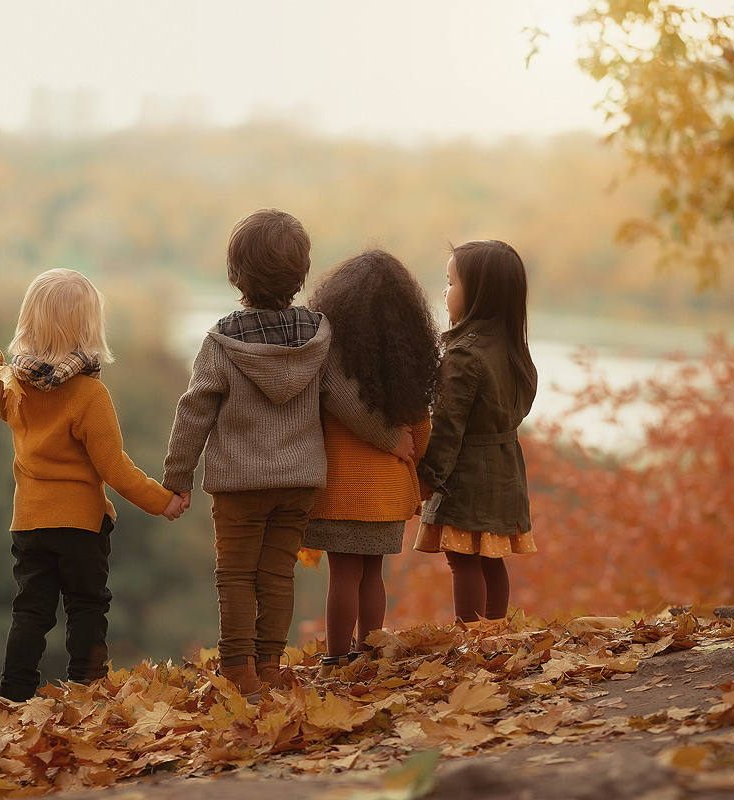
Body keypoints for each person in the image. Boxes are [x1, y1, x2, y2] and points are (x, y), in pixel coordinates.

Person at [162, 209, 404, 700]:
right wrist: (391, 440)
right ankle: (270, 664)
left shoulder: (221, 342)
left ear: (235, 273)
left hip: (238, 485)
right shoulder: (318, 336)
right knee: (276, 574)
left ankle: (237, 667)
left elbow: (194, 411)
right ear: (301, 274)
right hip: (297, 482)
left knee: (235, 576)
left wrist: (177, 476)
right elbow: (344, 400)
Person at [0, 268, 185, 702]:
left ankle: (13, 695)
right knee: (86, 608)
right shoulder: (89, 395)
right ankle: (86, 692)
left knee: (30, 612)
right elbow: (115, 468)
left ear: (28, 323)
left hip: (30, 523)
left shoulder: (15, 386)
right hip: (81, 527)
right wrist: (161, 501)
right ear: (90, 331)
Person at [303, 250, 440, 675]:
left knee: (342, 576)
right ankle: (369, 654)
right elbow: (421, 429)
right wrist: (410, 455)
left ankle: (335, 659)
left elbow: (328, 408)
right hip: (386, 494)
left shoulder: (331, 359)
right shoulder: (407, 366)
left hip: (341, 489)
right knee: (372, 576)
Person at [414, 240, 539, 623]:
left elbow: (448, 429)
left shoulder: (464, 355)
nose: (444, 290)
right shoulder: (514, 352)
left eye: (451, 282)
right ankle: (494, 635)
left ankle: (469, 638)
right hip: (505, 474)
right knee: (491, 560)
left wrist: (426, 479)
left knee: (463, 562)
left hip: (467, 477)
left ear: (479, 294)